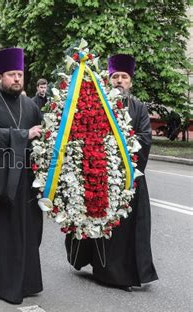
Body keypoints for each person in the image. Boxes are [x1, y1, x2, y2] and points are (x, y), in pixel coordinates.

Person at [65, 54, 158, 291]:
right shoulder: (99, 104)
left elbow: (145, 139)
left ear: (130, 81)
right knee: (104, 226)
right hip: (103, 178)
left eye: (124, 77)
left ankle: (130, 271)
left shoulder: (139, 108)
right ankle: (105, 270)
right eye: (115, 76)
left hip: (131, 180)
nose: (119, 81)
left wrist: (124, 148)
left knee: (130, 230)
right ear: (109, 79)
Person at [0, 48, 43, 304]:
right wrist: (24, 135)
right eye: (11, 74)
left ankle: (28, 282)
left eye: (20, 74)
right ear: (0, 77)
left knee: (29, 231)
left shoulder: (30, 105)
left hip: (28, 180)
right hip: (3, 182)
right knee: (6, 233)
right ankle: (7, 286)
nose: (17, 79)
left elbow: (42, 137)